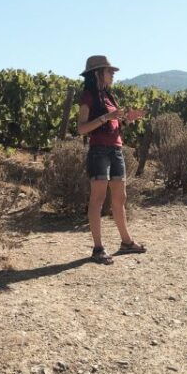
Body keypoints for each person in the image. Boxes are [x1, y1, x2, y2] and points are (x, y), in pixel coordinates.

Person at [77, 55, 146, 265]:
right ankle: (98, 249)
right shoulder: (87, 97)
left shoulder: (108, 96)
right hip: (99, 150)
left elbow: (112, 124)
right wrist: (107, 117)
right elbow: (81, 128)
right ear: (98, 73)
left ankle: (126, 242)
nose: (113, 74)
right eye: (109, 71)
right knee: (97, 199)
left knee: (120, 197)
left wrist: (126, 119)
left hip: (116, 149)